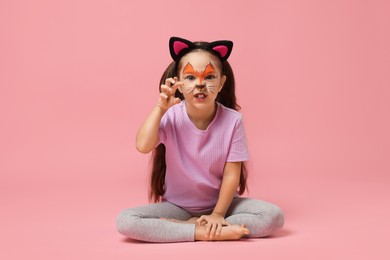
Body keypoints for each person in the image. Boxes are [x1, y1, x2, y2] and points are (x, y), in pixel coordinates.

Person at [116, 36, 284, 242]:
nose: (200, 84)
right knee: (127, 220)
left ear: (222, 83)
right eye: (190, 78)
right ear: (178, 82)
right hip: (177, 208)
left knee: (273, 216)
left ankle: (198, 226)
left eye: (210, 77)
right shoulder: (170, 115)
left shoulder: (233, 120)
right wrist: (160, 107)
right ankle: (203, 231)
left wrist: (218, 214)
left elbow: (232, 173)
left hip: (223, 206)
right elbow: (142, 145)